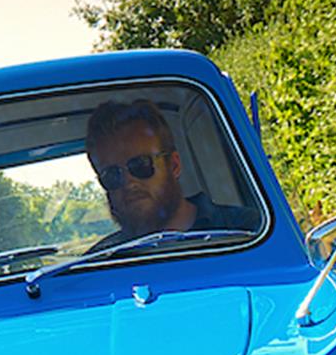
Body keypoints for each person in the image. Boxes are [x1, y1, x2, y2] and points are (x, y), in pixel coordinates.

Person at [83, 98, 254, 250]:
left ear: (174, 165)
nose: (128, 182)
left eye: (140, 165)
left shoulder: (246, 232)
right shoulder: (101, 263)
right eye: (111, 175)